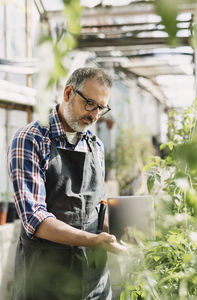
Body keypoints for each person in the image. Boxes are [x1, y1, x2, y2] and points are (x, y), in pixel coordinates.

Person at [8, 67, 126, 300]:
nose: (94, 115)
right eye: (90, 103)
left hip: (93, 282)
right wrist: (94, 240)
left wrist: (119, 233)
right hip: (46, 282)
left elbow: (96, 208)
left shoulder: (95, 145)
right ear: (68, 93)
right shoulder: (31, 139)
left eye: (101, 108)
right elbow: (35, 219)